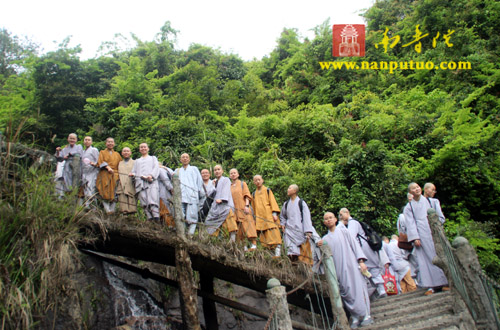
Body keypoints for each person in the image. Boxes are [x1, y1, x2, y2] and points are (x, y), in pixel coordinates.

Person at [319, 212, 372, 328]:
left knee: (358, 288)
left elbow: (354, 244)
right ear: (324, 222)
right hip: (339, 270)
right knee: (345, 292)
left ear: (335, 220)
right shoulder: (325, 239)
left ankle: (366, 314)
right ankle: (355, 316)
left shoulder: (343, 231)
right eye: (326, 219)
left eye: (330, 218)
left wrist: (361, 261)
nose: (329, 220)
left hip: (352, 265)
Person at [404, 182, 449, 295]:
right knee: (425, 261)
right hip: (421, 235)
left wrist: (436, 228)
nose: (417, 189)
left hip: (433, 233)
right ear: (410, 193)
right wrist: (415, 238)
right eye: (414, 189)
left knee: (439, 255)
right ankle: (430, 286)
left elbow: (440, 218)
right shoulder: (409, 207)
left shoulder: (432, 202)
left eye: (418, 187)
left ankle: (444, 283)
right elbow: (410, 223)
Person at [339, 208, 390, 299]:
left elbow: (351, 236)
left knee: (371, 269)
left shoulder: (353, 223)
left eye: (341, 215)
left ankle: (380, 290)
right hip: (366, 249)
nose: (340, 217)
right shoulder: (354, 223)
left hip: (364, 250)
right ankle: (378, 291)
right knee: (370, 270)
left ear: (347, 213)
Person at [279, 184, 314, 263]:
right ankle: (292, 265)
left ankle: (301, 265)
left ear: (294, 191)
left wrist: (308, 231)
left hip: (299, 231)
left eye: (289, 188)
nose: (288, 190)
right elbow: (283, 216)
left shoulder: (301, 203)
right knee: (290, 251)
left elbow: (306, 217)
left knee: (301, 251)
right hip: (289, 231)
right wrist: (283, 224)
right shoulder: (286, 204)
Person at [204, 165, 238, 240]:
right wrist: (213, 185)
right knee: (209, 222)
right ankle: (215, 241)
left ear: (222, 171)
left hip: (225, 206)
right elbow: (209, 194)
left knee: (230, 225)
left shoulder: (226, 180)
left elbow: (226, 191)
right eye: (215, 170)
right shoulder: (214, 182)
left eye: (218, 169)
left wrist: (222, 199)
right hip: (216, 207)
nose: (217, 171)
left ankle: (232, 243)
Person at [251, 175, 282, 258]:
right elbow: (253, 207)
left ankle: (277, 253)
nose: (257, 182)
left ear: (262, 180)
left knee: (274, 233)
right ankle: (268, 255)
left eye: (259, 180)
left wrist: (274, 213)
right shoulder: (254, 194)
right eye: (256, 180)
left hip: (269, 215)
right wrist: (254, 218)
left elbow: (273, 202)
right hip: (259, 217)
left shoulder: (267, 190)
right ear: (254, 182)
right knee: (263, 236)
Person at [130, 143, 160, 222]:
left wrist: (151, 175)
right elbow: (134, 171)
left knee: (153, 201)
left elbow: (156, 168)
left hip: (151, 183)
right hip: (140, 183)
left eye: (145, 147)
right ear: (139, 149)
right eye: (141, 147)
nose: (143, 148)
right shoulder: (137, 161)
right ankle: (149, 218)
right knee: (144, 202)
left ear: (148, 148)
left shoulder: (153, 158)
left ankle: (156, 218)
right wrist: (133, 174)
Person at [229, 168, 257, 251]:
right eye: (231, 173)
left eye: (234, 173)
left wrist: (247, 205)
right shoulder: (229, 186)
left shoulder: (242, 184)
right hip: (235, 210)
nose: (233, 174)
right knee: (239, 228)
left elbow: (246, 194)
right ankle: (243, 246)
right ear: (229, 176)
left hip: (244, 208)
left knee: (248, 225)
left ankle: (253, 244)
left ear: (238, 174)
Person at [176, 153, 204, 236]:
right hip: (181, 196)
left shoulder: (194, 169)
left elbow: (199, 181)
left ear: (189, 159)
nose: (185, 159)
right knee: (181, 214)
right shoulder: (178, 171)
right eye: (183, 157)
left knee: (192, 215)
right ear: (180, 160)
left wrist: (196, 191)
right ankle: (183, 233)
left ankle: (190, 234)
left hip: (192, 195)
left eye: (186, 157)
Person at [96, 137, 122, 214]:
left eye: (112, 142)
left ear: (114, 144)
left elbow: (120, 165)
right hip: (105, 174)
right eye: (108, 142)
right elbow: (100, 162)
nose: (110, 143)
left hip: (115, 175)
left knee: (114, 192)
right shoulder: (102, 152)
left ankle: (112, 210)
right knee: (104, 191)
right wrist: (107, 167)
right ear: (106, 143)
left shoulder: (117, 154)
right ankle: (107, 210)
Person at [55, 133, 83, 198]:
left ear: (76, 140)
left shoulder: (79, 146)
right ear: (68, 139)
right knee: (66, 181)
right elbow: (59, 158)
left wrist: (69, 155)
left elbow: (79, 154)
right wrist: (58, 151)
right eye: (70, 138)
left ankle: (74, 195)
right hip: (67, 167)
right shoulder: (65, 148)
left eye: (73, 139)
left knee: (75, 182)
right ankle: (66, 195)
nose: (72, 140)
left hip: (76, 166)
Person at [79, 136, 99, 207]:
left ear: (91, 142)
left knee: (91, 190)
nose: (87, 141)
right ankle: (87, 206)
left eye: (89, 140)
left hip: (92, 172)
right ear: (83, 141)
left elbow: (98, 161)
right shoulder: (83, 152)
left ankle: (94, 207)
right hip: (84, 173)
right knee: (85, 190)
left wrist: (94, 164)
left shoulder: (94, 150)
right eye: (85, 140)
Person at [116, 147, 137, 215]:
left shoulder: (135, 162)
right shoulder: (119, 163)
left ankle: (133, 220)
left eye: (127, 151)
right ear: (122, 153)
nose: (126, 152)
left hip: (131, 185)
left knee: (132, 207)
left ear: (130, 153)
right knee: (123, 207)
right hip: (121, 186)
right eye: (124, 151)